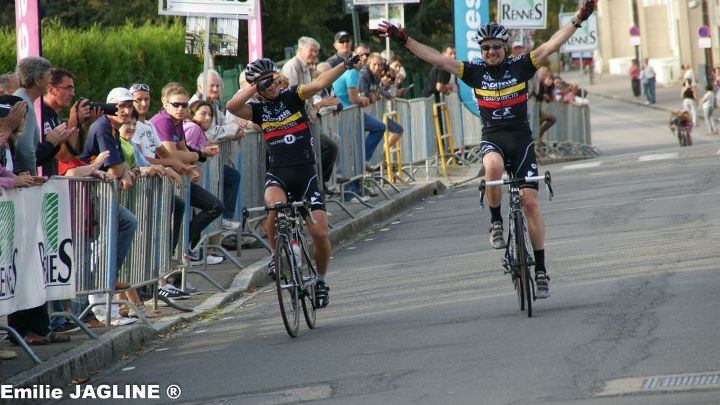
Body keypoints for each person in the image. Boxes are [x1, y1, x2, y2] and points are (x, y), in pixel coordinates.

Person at [378, 0, 599, 299]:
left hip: (521, 140)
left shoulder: (521, 66)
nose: (491, 52)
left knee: (531, 204)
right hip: (493, 138)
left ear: (506, 48)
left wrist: (580, 18)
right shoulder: (474, 71)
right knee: (493, 169)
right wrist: (404, 39)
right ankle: (496, 222)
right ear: (480, 52)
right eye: (486, 48)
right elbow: (435, 59)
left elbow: (550, 46)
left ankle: (542, 270)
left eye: (496, 47)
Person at [226, 54, 365, 308]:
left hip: (305, 175)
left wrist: (344, 65)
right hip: (278, 174)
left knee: (320, 235)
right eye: (263, 83)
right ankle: (275, 256)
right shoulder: (257, 110)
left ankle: (321, 281)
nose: (271, 85)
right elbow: (232, 107)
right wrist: (256, 87)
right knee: (274, 208)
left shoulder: (293, 95)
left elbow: (319, 82)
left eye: (272, 79)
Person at [150, 83, 224, 264]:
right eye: (176, 104)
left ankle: (183, 247)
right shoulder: (163, 121)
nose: (181, 109)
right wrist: (199, 154)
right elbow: (173, 154)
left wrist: (190, 165)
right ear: (165, 103)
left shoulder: (177, 122)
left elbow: (182, 149)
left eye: (184, 105)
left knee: (215, 206)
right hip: (160, 178)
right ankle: (174, 259)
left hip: (176, 177)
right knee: (171, 221)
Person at [282, 36, 344, 196]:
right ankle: (313, 189)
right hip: (294, 125)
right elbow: (292, 96)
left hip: (304, 121)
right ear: (300, 50)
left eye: (316, 51)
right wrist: (311, 110)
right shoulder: (292, 67)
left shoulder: (308, 68)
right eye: (311, 50)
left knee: (328, 148)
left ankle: (318, 185)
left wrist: (312, 109)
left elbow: (307, 96)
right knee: (323, 150)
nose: (315, 54)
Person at [189, 71, 243, 230]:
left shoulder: (214, 104)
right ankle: (196, 244)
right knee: (205, 207)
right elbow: (211, 133)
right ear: (200, 86)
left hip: (212, 165)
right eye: (211, 85)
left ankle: (218, 230)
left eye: (217, 86)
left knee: (231, 178)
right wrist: (233, 131)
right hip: (198, 167)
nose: (215, 89)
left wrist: (234, 129)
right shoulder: (195, 105)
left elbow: (225, 124)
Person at [533, 67, 556, 146]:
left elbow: (549, 98)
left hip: (539, 108)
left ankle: (539, 138)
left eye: (546, 75)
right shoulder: (537, 82)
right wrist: (543, 96)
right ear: (539, 74)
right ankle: (538, 138)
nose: (545, 77)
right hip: (535, 108)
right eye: (543, 75)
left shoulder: (544, 85)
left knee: (551, 119)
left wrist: (547, 98)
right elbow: (536, 94)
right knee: (550, 119)